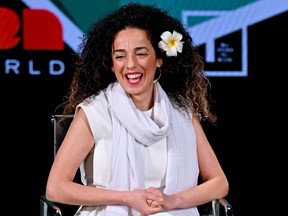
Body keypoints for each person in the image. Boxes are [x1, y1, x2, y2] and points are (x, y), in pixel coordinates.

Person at [45, 2, 229, 216]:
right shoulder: (94, 112)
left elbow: (219, 183)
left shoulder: (181, 112)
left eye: (141, 53)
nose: (130, 64)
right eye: (120, 56)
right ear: (112, 65)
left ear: (159, 59)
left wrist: (173, 201)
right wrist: (126, 197)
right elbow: (55, 188)